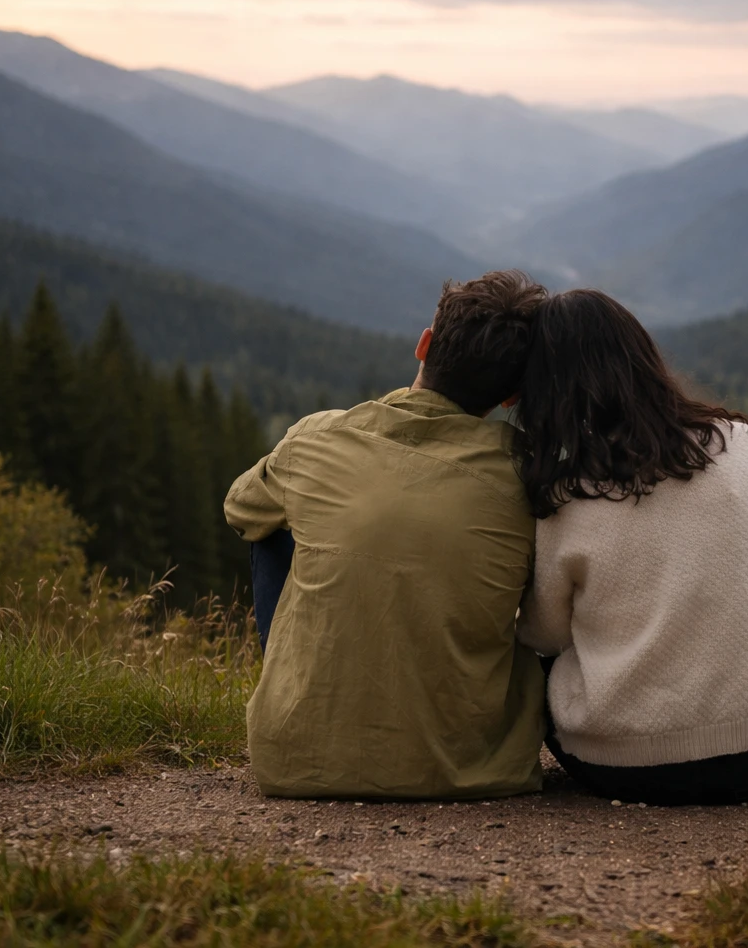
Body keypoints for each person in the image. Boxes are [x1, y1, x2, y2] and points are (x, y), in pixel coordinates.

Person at [224, 270, 550, 799]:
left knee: (272, 528)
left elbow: (240, 509)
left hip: (295, 766)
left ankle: (307, 709)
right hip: (471, 770)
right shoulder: (526, 473)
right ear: (512, 396)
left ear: (424, 345)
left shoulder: (317, 438)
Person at [513, 289, 748, 807]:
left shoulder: (563, 493)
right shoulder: (743, 443)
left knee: (532, 667)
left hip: (623, 767)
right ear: (642, 354)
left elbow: (544, 632)